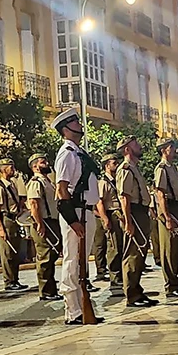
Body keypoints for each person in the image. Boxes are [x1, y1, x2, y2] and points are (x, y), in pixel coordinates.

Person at [51, 108, 104, 325]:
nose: (80, 125)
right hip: (76, 212)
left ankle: (82, 306)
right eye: (75, 122)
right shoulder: (67, 154)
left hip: (86, 211)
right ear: (66, 129)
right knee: (73, 260)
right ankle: (72, 311)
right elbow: (61, 190)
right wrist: (72, 220)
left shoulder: (78, 152)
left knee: (81, 262)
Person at [115, 136, 157, 308]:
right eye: (134, 144)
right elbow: (124, 197)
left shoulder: (134, 168)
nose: (139, 146)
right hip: (133, 212)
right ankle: (132, 295)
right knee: (132, 253)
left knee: (140, 254)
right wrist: (128, 221)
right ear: (127, 149)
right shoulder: (125, 169)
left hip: (141, 212)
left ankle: (137, 291)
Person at [152, 139, 178, 298]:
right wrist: (167, 217)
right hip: (168, 208)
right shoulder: (161, 168)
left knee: (176, 249)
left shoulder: (171, 168)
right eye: (171, 147)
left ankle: (175, 282)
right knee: (169, 249)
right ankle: (170, 285)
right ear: (163, 150)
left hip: (176, 207)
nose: (174, 150)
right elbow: (160, 194)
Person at [26, 154, 61, 301]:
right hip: (44, 222)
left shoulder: (47, 181)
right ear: (35, 166)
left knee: (52, 255)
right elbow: (34, 203)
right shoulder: (36, 182)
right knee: (45, 257)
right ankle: (46, 291)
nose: (46, 163)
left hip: (52, 221)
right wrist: (39, 223)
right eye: (42, 162)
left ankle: (51, 289)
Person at [0, 159, 27, 292]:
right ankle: (9, 281)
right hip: (6, 220)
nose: (14, 170)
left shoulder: (11, 185)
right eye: (11, 167)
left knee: (15, 251)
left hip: (14, 220)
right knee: (7, 252)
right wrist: (0, 228)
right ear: (5, 169)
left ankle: (15, 279)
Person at [97, 154, 124, 297]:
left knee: (121, 246)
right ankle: (115, 278)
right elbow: (99, 202)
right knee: (113, 247)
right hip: (111, 213)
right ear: (107, 165)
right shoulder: (103, 182)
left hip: (119, 214)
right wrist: (105, 218)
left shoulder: (116, 180)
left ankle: (120, 276)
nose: (117, 164)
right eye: (114, 163)